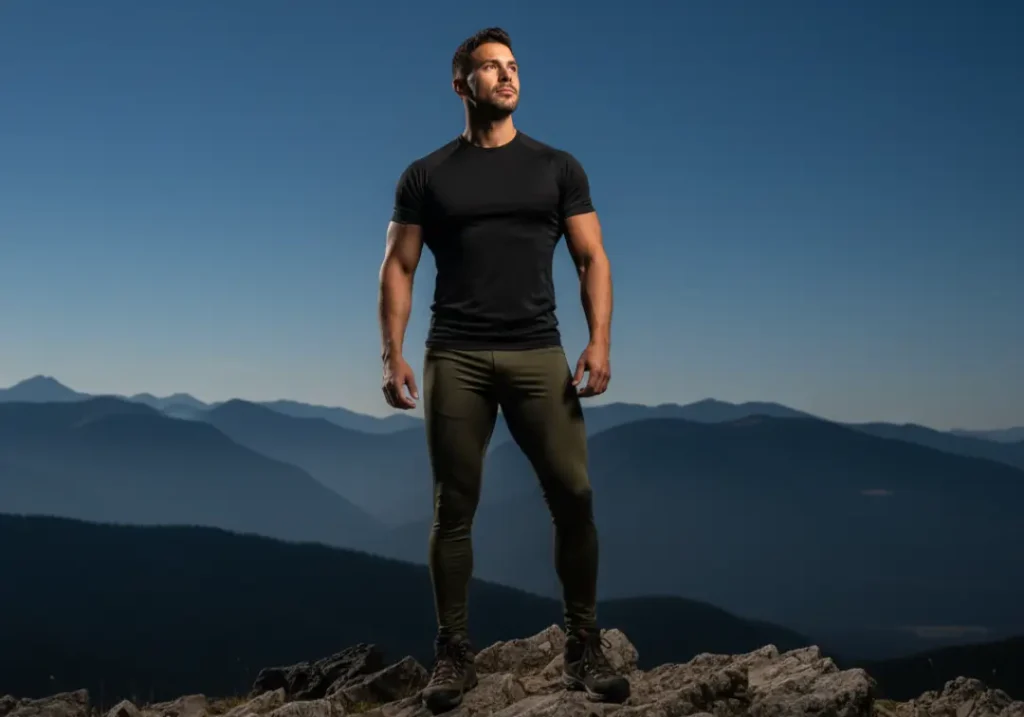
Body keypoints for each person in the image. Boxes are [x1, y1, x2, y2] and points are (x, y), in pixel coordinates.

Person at [377, 26, 629, 714]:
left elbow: (592, 257)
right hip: (453, 355)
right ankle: (452, 654)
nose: (506, 75)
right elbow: (398, 266)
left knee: (573, 495)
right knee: (452, 508)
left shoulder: (557, 167)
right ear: (461, 85)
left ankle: (584, 644)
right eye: (490, 68)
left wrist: (599, 340)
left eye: (512, 66)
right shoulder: (426, 175)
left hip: (539, 353)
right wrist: (390, 352)